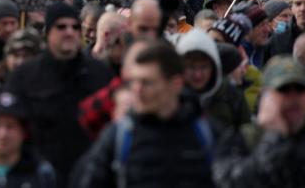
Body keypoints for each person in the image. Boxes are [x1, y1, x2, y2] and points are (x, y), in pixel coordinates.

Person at [71, 41, 216, 188]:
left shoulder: (207, 135)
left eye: (147, 83)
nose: (137, 90)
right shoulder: (117, 137)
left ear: (175, 84)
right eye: (134, 82)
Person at [5, 2, 113, 186]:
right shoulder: (25, 75)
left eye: (74, 27)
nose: (69, 32)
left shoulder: (100, 73)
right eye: (61, 26)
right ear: (48, 33)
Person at [212, 56, 305, 188]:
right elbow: (230, 182)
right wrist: (273, 138)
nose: (293, 97)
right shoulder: (243, 140)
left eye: (299, 89)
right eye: (283, 90)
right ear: (265, 96)